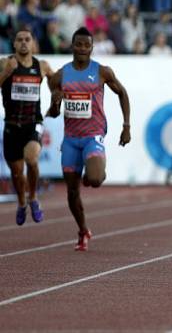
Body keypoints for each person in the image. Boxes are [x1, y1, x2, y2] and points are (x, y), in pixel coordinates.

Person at [46, 27, 131, 251]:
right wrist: (55, 103)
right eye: (79, 44)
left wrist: (126, 125)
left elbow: (122, 92)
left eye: (87, 45)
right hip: (71, 138)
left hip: (93, 135)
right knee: (72, 192)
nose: (83, 48)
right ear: (72, 46)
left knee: (94, 179)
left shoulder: (102, 71)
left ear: (92, 47)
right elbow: (53, 112)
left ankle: (90, 173)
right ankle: (83, 230)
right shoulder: (60, 76)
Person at [1, 29, 55, 225]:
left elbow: (55, 81)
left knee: (32, 159)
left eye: (27, 39)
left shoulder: (41, 66)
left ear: (32, 43)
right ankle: (22, 202)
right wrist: (6, 73)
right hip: (11, 125)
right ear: (14, 44)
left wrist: (55, 100)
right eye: (19, 40)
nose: (23, 43)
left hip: (33, 123)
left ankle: (33, 198)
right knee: (17, 173)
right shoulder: (5, 63)